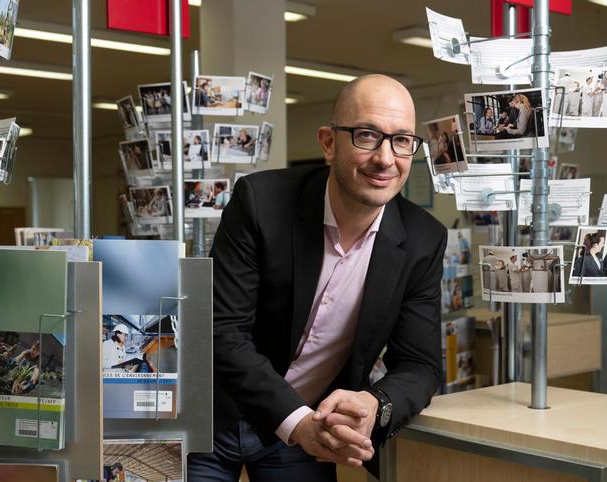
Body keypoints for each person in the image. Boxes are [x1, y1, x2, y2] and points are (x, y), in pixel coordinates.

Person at [187, 74, 444, 481]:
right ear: (328, 142)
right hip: (214, 414)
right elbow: (221, 330)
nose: (385, 158)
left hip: (311, 425)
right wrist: (296, 421)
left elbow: (420, 364)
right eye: (366, 135)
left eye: (402, 140)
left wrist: (375, 403)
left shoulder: (424, 239)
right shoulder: (261, 202)